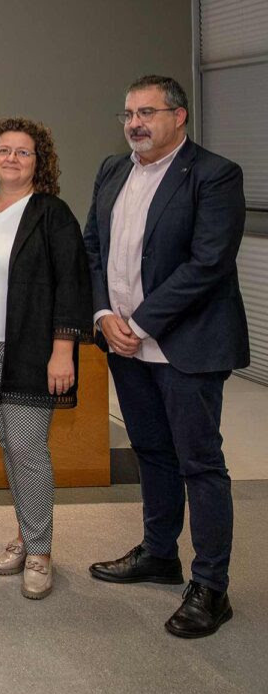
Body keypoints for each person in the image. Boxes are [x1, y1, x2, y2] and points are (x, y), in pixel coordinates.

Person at [83, 75, 248, 638]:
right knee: (152, 452)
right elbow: (93, 249)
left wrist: (142, 322)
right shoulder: (112, 170)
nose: (135, 123)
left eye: (148, 112)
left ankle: (211, 586)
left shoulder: (215, 175)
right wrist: (105, 316)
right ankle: (159, 552)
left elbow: (209, 263)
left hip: (186, 345)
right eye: (129, 113)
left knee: (199, 462)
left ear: (179, 117)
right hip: (125, 345)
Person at [0, 118, 93, 599]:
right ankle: (27, 533)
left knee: (29, 449)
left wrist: (63, 351)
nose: (11, 159)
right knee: (11, 446)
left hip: (32, 350)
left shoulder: (52, 213)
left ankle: (39, 551)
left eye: (23, 152)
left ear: (40, 162)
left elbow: (72, 283)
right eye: (4, 151)